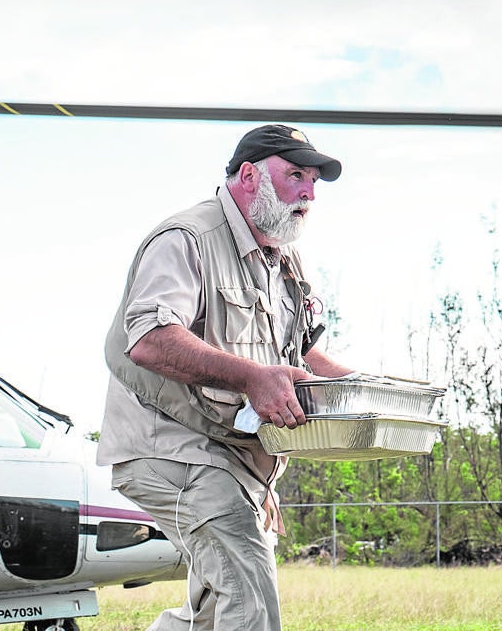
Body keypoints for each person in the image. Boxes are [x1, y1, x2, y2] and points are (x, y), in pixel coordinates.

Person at [99, 125, 354, 631]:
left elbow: (298, 354)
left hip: (235, 461)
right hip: (170, 449)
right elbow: (149, 337)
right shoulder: (186, 238)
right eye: (296, 176)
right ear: (248, 175)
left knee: (216, 611)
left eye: (313, 183)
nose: (307, 193)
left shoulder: (282, 261)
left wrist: (373, 391)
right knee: (248, 585)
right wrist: (253, 378)